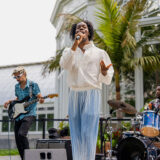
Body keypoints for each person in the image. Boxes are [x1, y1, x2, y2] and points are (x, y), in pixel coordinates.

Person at [60, 20, 114, 160]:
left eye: (84, 26)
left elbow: (108, 79)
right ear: (74, 33)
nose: (81, 28)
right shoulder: (69, 50)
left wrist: (103, 72)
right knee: (76, 134)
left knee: (88, 133)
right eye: (78, 27)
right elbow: (64, 65)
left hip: (92, 92)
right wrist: (75, 45)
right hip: (74, 94)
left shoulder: (100, 52)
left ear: (89, 31)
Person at [4, 66, 44, 160]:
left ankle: (29, 157)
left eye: (18, 76)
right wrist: (9, 101)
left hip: (29, 114)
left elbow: (40, 97)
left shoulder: (33, 85)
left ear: (24, 74)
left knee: (21, 134)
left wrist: (41, 100)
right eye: (15, 77)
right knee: (18, 140)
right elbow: (19, 99)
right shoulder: (16, 86)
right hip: (18, 115)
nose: (17, 79)